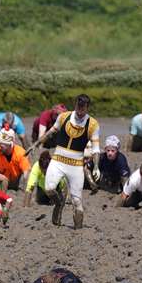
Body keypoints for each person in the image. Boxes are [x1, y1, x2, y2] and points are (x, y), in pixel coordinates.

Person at [37, 94, 99, 229]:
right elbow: (51, 132)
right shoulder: (63, 117)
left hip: (76, 165)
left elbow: (96, 149)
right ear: (75, 104)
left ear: (87, 108)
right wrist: (38, 142)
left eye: (83, 108)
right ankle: (59, 204)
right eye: (78, 106)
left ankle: (78, 229)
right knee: (49, 188)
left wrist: (96, 167)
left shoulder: (93, 124)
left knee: (77, 201)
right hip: (58, 160)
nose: (79, 111)